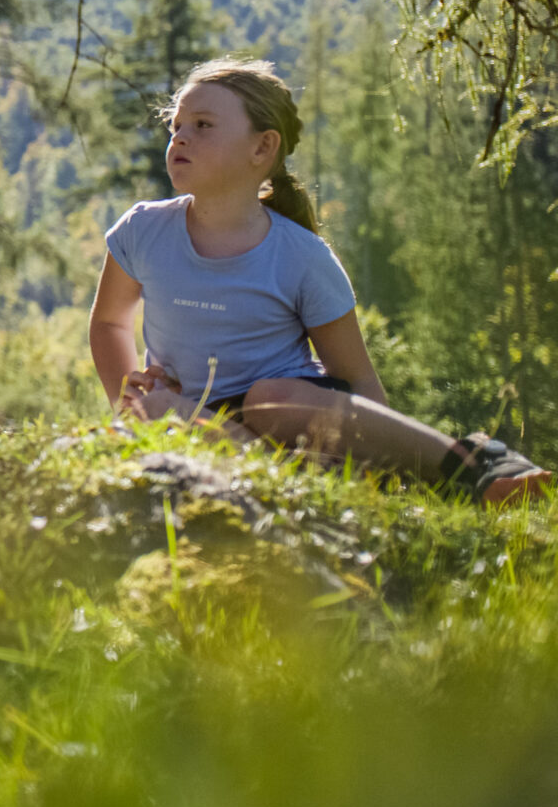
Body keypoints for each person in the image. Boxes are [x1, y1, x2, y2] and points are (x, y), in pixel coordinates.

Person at [88, 57, 549, 504]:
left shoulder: (301, 256)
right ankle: (289, 486)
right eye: (177, 127)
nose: (180, 138)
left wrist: (382, 454)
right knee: (155, 408)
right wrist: (128, 390)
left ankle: (466, 466)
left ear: (262, 148)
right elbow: (109, 323)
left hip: (295, 426)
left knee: (271, 397)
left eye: (203, 125)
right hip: (202, 425)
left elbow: (358, 381)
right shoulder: (143, 230)